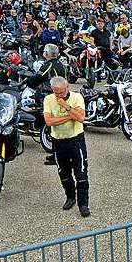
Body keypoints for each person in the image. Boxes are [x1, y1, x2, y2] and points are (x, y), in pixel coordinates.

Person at [43, 76, 90, 217]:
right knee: (63, 173)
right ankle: (70, 197)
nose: (59, 96)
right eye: (56, 93)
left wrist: (66, 106)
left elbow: (81, 118)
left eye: (61, 92)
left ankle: (83, 204)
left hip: (76, 140)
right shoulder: (48, 99)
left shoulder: (77, 98)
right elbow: (49, 121)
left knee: (81, 172)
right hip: (58, 141)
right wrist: (70, 116)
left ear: (67, 87)